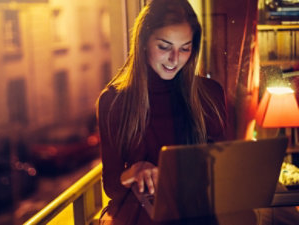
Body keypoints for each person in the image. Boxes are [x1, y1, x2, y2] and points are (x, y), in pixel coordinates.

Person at [96, 0, 226, 224]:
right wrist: (133, 172)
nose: (175, 59)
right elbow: (112, 187)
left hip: (199, 214)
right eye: (164, 47)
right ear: (143, 42)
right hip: (143, 217)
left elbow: (225, 171)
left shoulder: (210, 94)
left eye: (185, 48)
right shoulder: (114, 101)